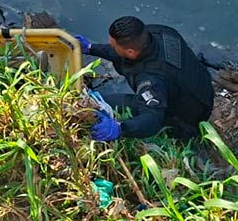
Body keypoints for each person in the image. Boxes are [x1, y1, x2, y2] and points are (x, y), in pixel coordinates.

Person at [75, 16, 213, 142]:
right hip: (201, 86)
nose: (111, 47)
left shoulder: (152, 80)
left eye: (113, 46)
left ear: (130, 52)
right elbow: (123, 52)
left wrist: (120, 128)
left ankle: (180, 135)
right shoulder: (159, 32)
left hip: (188, 116)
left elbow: (152, 119)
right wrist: (91, 48)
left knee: (99, 104)